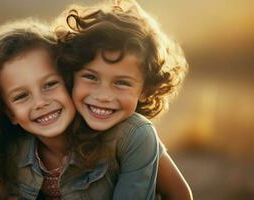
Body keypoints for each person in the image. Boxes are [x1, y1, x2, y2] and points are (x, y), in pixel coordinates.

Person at [0, 18, 160, 200]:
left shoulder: (128, 136)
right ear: (9, 113)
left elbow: (179, 193)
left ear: (69, 80)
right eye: (21, 96)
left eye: (50, 84)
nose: (40, 103)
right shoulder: (11, 153)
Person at [55, 0, 192, 199]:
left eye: (121, 83)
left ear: (145, 89)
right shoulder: (56, 123)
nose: (103, 96)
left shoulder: (137, 134)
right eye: (91, 77)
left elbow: (181, 194)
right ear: (72, 75)